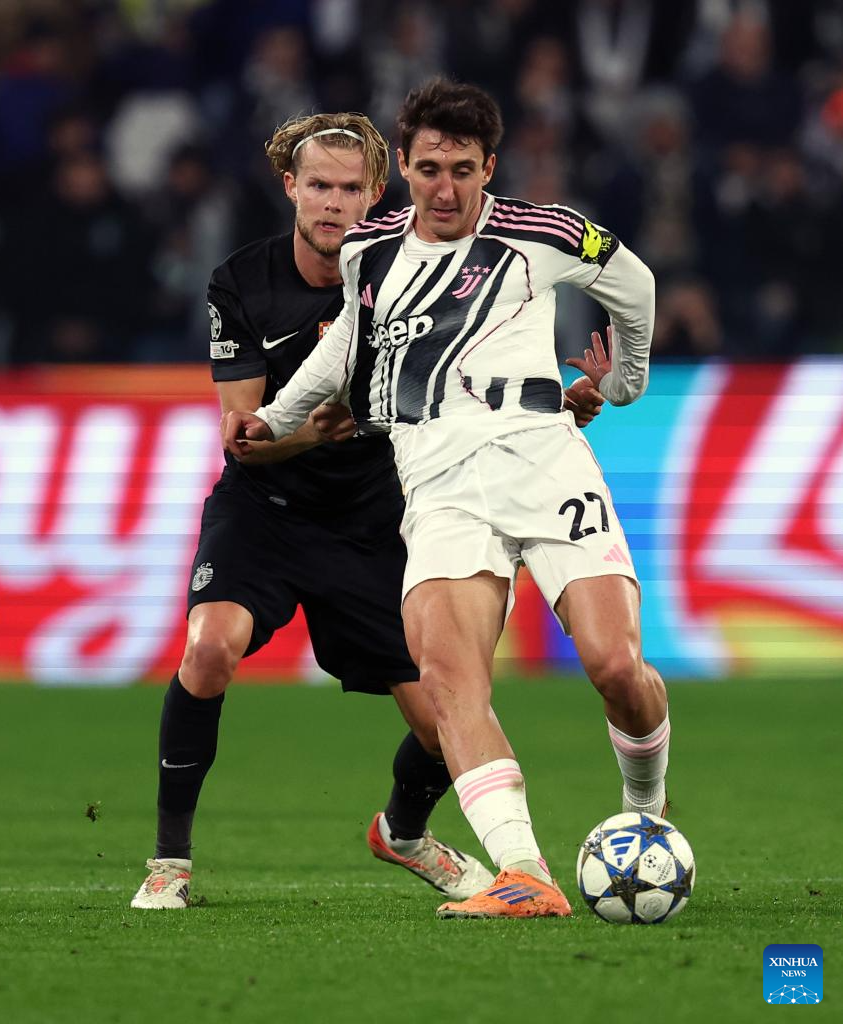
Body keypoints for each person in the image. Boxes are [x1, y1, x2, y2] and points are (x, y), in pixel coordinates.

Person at [224, 80, 668, 920]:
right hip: (438, 480)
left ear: (489, 167)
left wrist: (626, 384)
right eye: (429, 169)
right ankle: (524, 874)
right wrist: (275, 417)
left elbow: (636, 285)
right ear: (404, 166)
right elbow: (347, 349)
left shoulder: (544, 232)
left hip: (544, 461)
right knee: (449, 679)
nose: (445, 189)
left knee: (616, 666)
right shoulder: (369, 249)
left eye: (463, 170)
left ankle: (645, 809)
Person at [130, 113, 501, 910]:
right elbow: (244, 438)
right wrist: (311, 434)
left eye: (350, 188)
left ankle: (404, 833)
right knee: (209, 649)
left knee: (448, 722)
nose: (333, 202)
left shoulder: (417, 275)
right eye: (319, 185)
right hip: (264, 511)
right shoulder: (242, 282)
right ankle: (169, 864)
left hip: (373, 522)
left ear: (376, 195)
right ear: (290, 187)